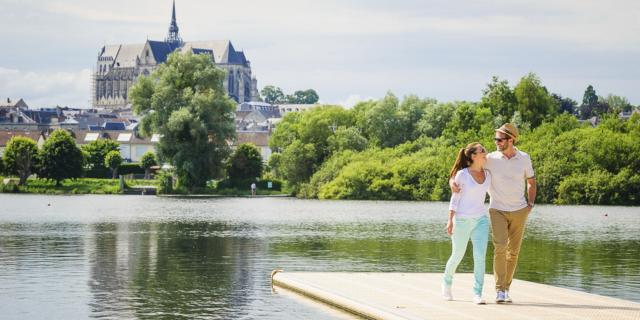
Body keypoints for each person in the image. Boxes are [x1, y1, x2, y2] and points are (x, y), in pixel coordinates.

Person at [450, 123, 536, 304]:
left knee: (513, 252)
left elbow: (531, 181)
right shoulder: (490, 158)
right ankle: (499, 291)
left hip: (520, 210)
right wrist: (452, 181)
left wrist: (530, 204)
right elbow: (465, 165)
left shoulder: (524, 158)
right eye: (495, 139)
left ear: (511, 140)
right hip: (497, 209)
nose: (496, 142)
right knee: (500, 247)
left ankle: (506, 288)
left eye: (500, 139)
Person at [442, 142, 491, 305]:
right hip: (461, 220)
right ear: (473, 156)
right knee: (457, 255)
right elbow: (454, 199)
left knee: (480, 256)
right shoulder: (462, 175)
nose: (485, 152)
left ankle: (477, 293)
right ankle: (447, 284)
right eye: (481, 151)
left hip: (481, 221)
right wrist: (450, 220)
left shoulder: (488, 174)